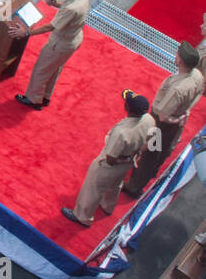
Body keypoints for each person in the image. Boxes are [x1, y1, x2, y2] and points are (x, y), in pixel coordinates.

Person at [61, 91, 156, 227]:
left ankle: (82, 216)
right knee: (115, 184)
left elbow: (111, 159)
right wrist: (137, 154)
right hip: (127, 162)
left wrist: (127, 158)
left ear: (128, 108)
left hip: (112, 164)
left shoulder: (121, 133)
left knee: (92, 188)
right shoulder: (149, 119)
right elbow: (154, 142)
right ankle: (107, 205)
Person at [122, 42, 204, 197]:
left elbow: (163, 116)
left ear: (180, 61)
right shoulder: (197, 76)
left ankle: (135, 186)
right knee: (163, 149)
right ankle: (152, 171)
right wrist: (185, 113)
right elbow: (199, 93)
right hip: (173, 122)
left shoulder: (178, 89)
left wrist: (176, 119)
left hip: (161, 124)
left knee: (150, 153)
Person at [12, 0, 91, 109]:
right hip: (74, 39)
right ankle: (45, 96)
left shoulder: (71, 9)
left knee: (41, 70)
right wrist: (56, 4)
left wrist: (26, 32)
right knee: (54, 69)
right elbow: (68, 6)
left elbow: (51, 26)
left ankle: (33, 99)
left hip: (60, 43)